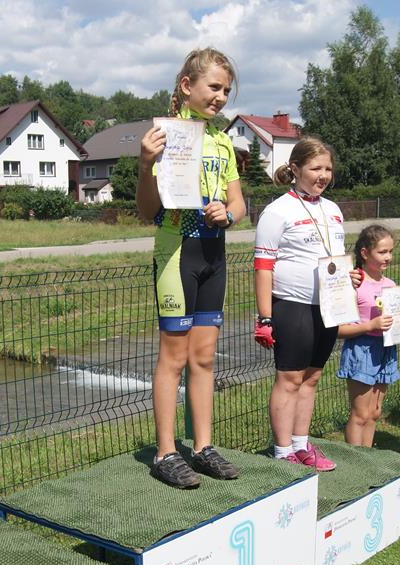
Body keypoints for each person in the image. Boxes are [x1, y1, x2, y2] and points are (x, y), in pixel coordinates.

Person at [136, 47, 246, 489]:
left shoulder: (223, 140)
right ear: (187, 85)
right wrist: (146, 164)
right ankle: (165, 452)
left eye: (226, 90)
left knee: (204, 357)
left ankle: (202, 447)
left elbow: (238, 202)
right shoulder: (164, 136)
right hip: (177, 252)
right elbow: (147, 210)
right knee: (174, 358)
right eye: (213, 87)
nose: (220, 96)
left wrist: (229, 215)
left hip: (214, 254)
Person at [253, 137, 361, 471]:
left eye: (328, 168)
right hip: (292, 305)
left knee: (312, 378)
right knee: (289, 379)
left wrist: (349, 278)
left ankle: (301, 445)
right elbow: (263, 266)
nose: (323, 175)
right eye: (316, 168)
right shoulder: (277, 211)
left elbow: (332, 259)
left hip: (327, 306)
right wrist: (265, 317)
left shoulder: (333, 210)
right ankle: (282, 451)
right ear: (296, 169)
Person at [336, 224, 400, 447]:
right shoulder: (353, 285)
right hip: (362, 350)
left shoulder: (390, 285)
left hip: (386, 349)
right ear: (364, 253)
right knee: (360, 414)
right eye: (382, 252)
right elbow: (339, 330)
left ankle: (368, 458)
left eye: (391, 251)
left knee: (374, 413)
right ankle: (354, 459)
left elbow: (395, 321)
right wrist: (370, 325)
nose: (388, 257)